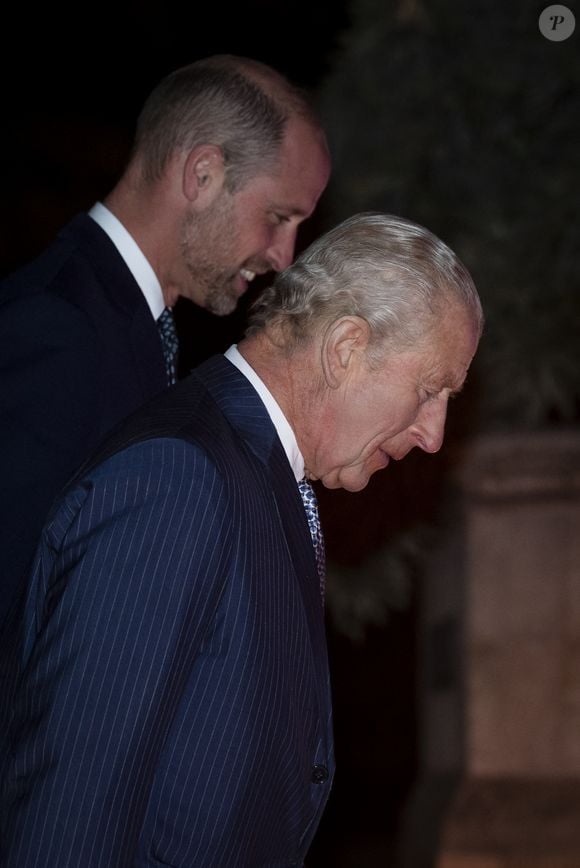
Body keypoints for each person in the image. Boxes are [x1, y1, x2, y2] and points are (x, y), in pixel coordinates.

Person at [0, 212, 483, 867]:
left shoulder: (262, 475)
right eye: (429, 390)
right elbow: (71, 809)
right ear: (345, 348)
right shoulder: (178, 478)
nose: (434, 435)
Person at [0, 54, 331, 629]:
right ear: (202, 175)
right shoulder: (55, 327)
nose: (284, 256)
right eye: (278, 217)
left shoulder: (124, 324)